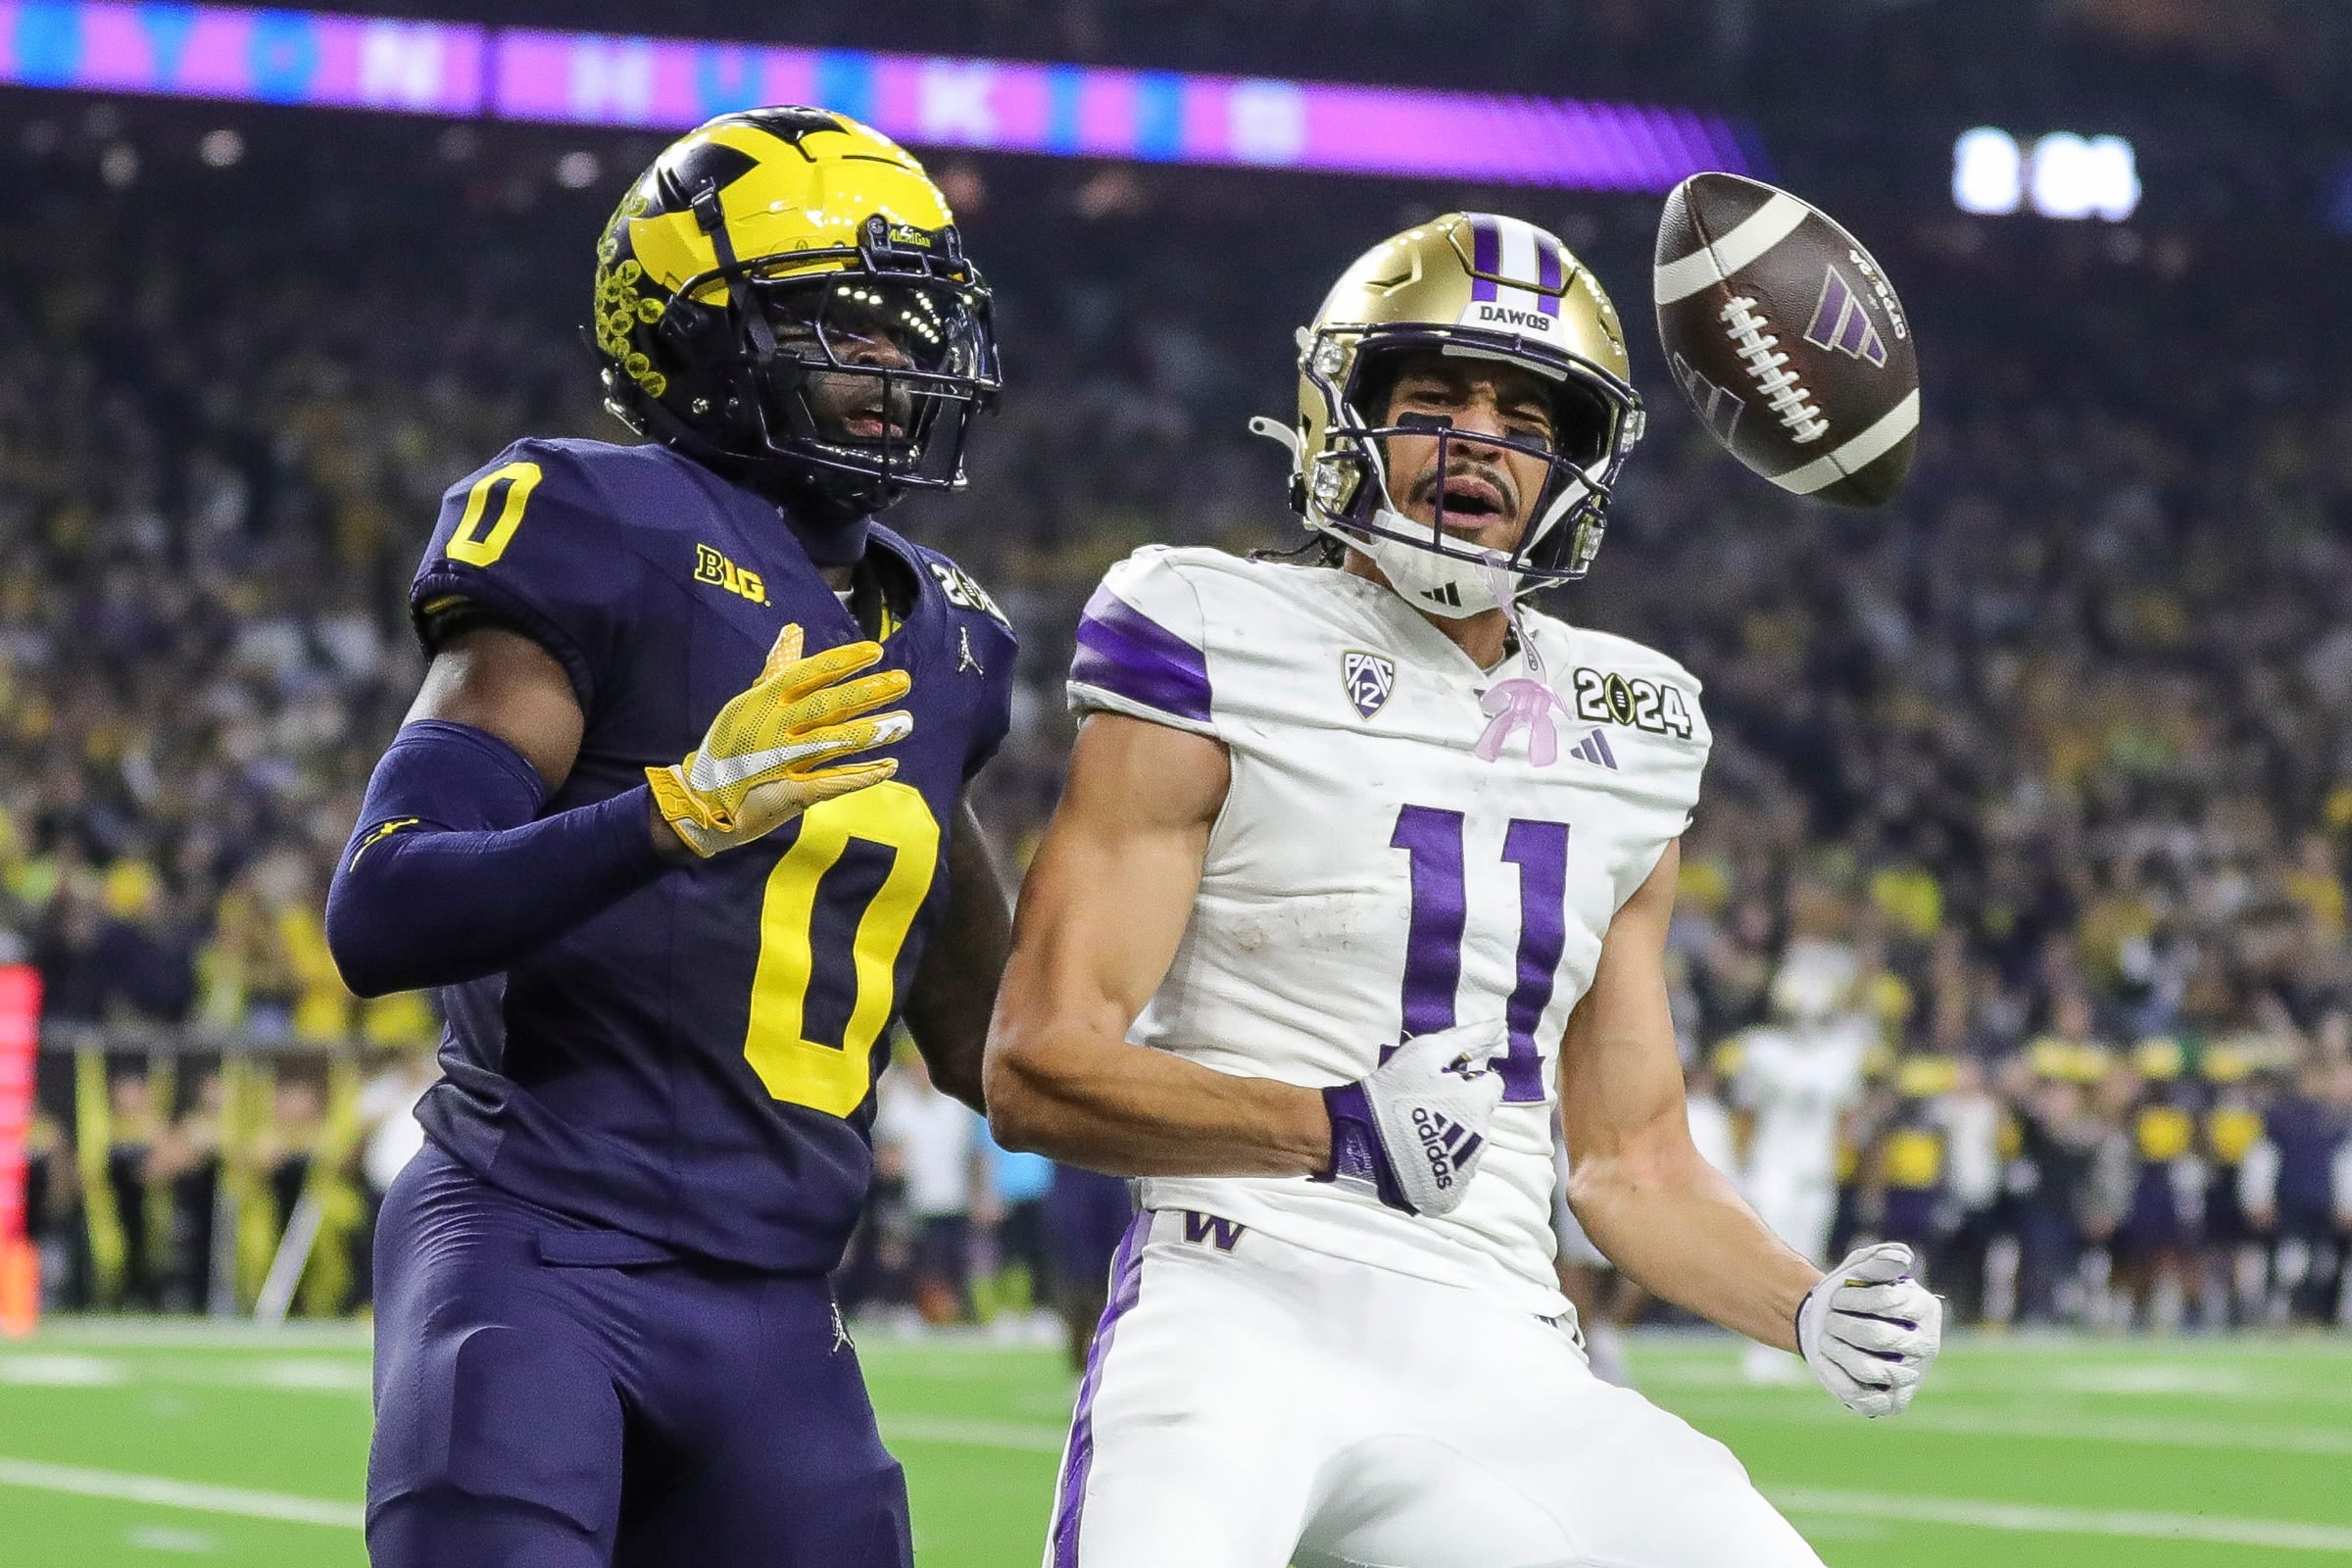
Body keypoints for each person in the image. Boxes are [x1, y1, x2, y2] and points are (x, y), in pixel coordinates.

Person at [984, 214, 1941, 1568]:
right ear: (1341, 420)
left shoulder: (1638, 719)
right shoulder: (1212, 630)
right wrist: (1334, 1129)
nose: (1480, 437)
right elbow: (1038, 1066)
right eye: (1432, 399)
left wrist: (1803, 1305)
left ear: (1581, 459)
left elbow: (1633, 1164)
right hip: (1238, 1296)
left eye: (1524, 412)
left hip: (1504, 1340)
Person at [327, 108, 1016, 1568]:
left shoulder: (953, 639)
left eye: (914, 329)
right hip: (537, 1248)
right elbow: (382, 911)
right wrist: (679, 809)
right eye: (847, 325)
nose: (897, 366)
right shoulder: (597, 522)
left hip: (780, 1302)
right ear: (693, 335)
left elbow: (986, 1040)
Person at [1727, 940, 1875, 1382]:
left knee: (1807, 1260)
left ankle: (1796, 1343)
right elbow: (1746, 1114)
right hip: (1772, 1166)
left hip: (1816, 1170)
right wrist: (1741, 1166)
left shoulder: (1841, 1054)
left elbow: (1849, 1118)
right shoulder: (1762, 1050)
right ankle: (1759, 1345)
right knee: (1769, 1258)